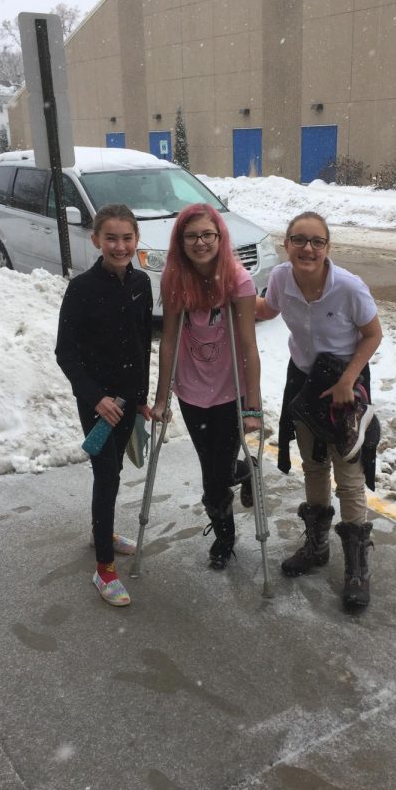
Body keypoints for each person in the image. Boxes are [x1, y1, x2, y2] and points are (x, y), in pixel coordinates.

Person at [255, 211, 383, 609]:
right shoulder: (279, 278)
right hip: (305, 381)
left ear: (328, 248)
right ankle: (316, 547)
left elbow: (373, 334)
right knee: (313, 465)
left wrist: (348, 380)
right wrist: (229, 297)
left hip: (346, 384)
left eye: (317, 242)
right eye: (299, 240)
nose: (307, 249)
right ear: (286, 244)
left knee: (348, 474)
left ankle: (357, 569)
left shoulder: (348, 287)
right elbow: (267, 309)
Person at [152, 203, 261, 570]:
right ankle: (245, 471)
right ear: (180, 241)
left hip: (230, 392)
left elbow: (247, 345)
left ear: (220, 237)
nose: (200, 243)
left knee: (215, 478)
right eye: (192, 236)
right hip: (191, 391)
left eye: (207, 235)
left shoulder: (238, 280)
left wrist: (252, 407)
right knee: (212, 465)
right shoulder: (173, 278)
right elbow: (168, 340)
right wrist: (159, 398)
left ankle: (224, 536)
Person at [56, 203, 152, 606]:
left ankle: (104, 530)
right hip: (97, 403)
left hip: (129, 398)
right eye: (110, 238)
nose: (119, 245)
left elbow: (143, 344)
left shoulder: (142, 283)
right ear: (96, 240)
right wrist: (96, 398)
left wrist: (143, 397)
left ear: (136, 240)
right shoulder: (81, 290)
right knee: (108, 474)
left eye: (126, 238)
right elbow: (66, 353)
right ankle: (105, 569)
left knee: (115, 472)